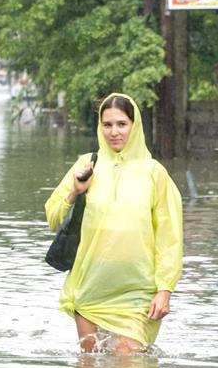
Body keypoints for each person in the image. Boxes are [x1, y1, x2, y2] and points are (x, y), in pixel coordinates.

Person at [45, 92, 183, 353]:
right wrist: (75, 191)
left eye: (122, 124)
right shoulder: (87, 165)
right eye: (107, 125)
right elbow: (53, 217)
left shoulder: (155, 174)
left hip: (137, 294)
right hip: (90, 288)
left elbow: (170, 237)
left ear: (135, 125)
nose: (114, 132)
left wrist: (165, 289)